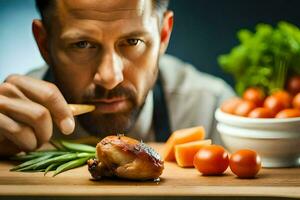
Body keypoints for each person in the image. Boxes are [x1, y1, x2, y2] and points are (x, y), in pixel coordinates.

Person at [0, 0, 234, 156]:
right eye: (82, 45)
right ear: (44, 43)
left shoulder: (212, 111)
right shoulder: (10, 120)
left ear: (163, 35)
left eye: (133, 42)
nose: (110, 78)